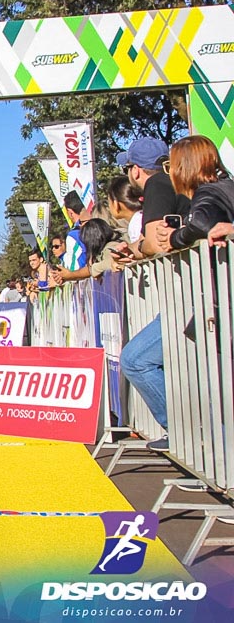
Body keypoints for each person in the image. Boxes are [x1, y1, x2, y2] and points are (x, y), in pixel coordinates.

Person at [113, 136, 189, 452]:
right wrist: (136, 250)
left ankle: (187, 438)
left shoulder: (158, 184)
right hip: (193, 295)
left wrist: (140, 248)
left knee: (135, 359)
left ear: (135, 170)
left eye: (128, 166)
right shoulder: (172, 182)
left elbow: (156, 243)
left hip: (190, 298)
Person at [154, 135, 233, 254]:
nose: (170, 172)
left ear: (183, 169)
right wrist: (184, 227)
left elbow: (201, 223)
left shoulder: (208, 191)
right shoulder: (224, 187)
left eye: (171, 166)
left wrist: (174, 238)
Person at [61, 191, 89, 271]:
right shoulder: (100, 224)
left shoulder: (73, 235)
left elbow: (73, 269)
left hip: (86, 280)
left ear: (70, 213)